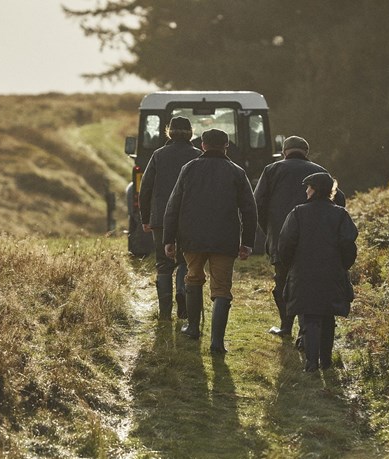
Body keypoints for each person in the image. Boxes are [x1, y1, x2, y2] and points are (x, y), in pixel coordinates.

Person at [163, 128, 258, 354]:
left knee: (193, 278)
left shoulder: (189, 169)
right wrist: (247, 242)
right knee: (222, 289)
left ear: (203, 145)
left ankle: (194, 328)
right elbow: (249, 210)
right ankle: (217, 342)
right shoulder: (236, 172)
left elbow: (173, 206)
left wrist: (168, 239)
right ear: (226, 146)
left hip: (192, 237)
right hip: (225, 239)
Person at [253, 135, 337, 338]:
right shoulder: (320, 171)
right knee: (308, 282)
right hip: (314, 239)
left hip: (281, 236)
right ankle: (306, 332)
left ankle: (286, 326)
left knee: (282, 282)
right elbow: (335, 201)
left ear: (284, 151)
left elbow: (258, 203)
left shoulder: (272, 170)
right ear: (306, 152)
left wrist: (270, 230)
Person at [278, 172, 358, 372]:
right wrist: (342, 266)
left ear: (314, 189)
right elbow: (349, 245)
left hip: (303, 273)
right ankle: (327, 362)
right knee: (328, 317)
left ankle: (311, 363)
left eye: (308, 187)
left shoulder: (297, 213)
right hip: (332, 273)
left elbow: (286, 244)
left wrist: (289, 266)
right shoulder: (340, 214)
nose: (306, 191)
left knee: (310, 317)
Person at [139, 116, 202, 321]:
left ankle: (165, 313)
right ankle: (182, 296)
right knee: (187, 260)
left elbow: (145, 189)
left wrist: (146, 217)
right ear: (190, 133)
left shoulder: (158, 155)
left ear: (169, 132)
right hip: (190, 218)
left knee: (163, 264)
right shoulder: (198, 156)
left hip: (160, 219)